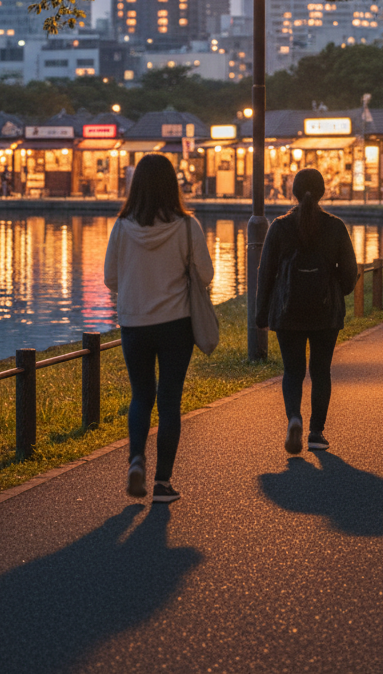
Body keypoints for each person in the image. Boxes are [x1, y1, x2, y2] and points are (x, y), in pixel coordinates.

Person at [104, 153, 214, 503]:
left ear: (136, 187)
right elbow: (207, 275)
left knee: (141, 396)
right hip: (175, 324)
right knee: (169, 402)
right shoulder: (186, 226)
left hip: (134, 324)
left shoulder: (121, 227)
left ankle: (136, 458)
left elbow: (109, 278)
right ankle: (163, 483)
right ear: (173, 185)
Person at [256, 168, 358, 454]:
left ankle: (294, 419)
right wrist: (338, 292)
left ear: (294, 192)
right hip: (326, 313)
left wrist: (261, 314)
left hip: (288, 312)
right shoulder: (335, 227)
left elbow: (266, 274)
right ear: (323, 192)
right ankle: (316, 432)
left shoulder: (279, 226)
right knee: (321, 370)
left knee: (293, 370)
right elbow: (350, 271)